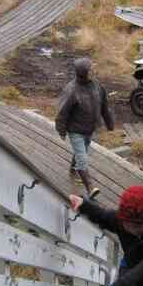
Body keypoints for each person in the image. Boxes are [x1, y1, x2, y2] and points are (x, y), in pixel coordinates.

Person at [56, 57, 115, 197]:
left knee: (81, 152)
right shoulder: (71, 90)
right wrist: (61, 131)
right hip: (75, 130)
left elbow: (104, 106)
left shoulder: (97, 86)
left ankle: (72, 169)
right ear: (83, 72)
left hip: (89, 129)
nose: (93, 70)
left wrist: (109, 123)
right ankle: (90, 188)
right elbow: (62, 113)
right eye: (90, 69)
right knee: (83, 159)